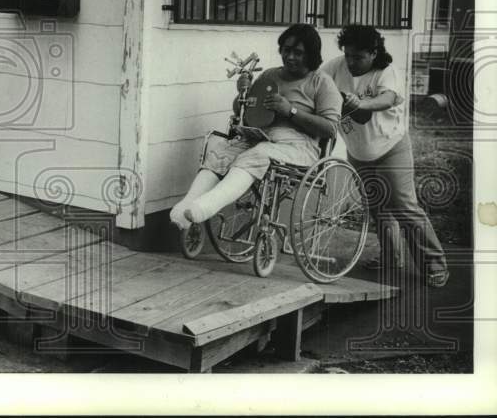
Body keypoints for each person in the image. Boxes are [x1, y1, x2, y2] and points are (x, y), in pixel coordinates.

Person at [170, 24, 342, 229]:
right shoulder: (269, 75)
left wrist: (291, 111)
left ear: (311, 55)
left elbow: (330, 129)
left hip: (298, 145)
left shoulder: (321, 83)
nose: (290, 57)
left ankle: (204, 207)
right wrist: (242, 94)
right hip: (258, 135)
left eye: (298, 53)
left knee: (257, 155)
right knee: (221, 152)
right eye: (286, 50)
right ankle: (187, 207)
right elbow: (242, 112)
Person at [323, 25, 449, 287]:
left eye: (358, 57)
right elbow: (315, 83)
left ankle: (434, 264)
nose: (351, 62)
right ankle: (391, 258)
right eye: (348, 55)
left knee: (404, 207)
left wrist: (360, 104)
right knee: (377, 207)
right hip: (359, 151)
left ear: (373, 53)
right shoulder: (335, 67)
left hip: (391, 147)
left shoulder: (386, 71)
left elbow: (388, 98)